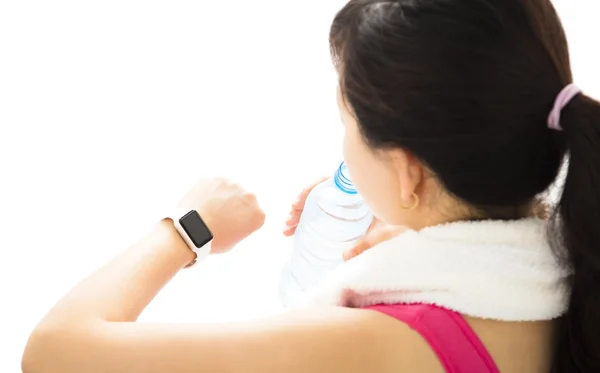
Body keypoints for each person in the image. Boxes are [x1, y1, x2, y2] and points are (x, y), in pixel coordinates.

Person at [21, 0, 600, 372]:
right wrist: (423, 225)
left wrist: (188, 227)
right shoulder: (576, 264)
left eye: (347, 121)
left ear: (408, 172)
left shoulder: (373, 345)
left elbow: (54, 352)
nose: (344, 142)